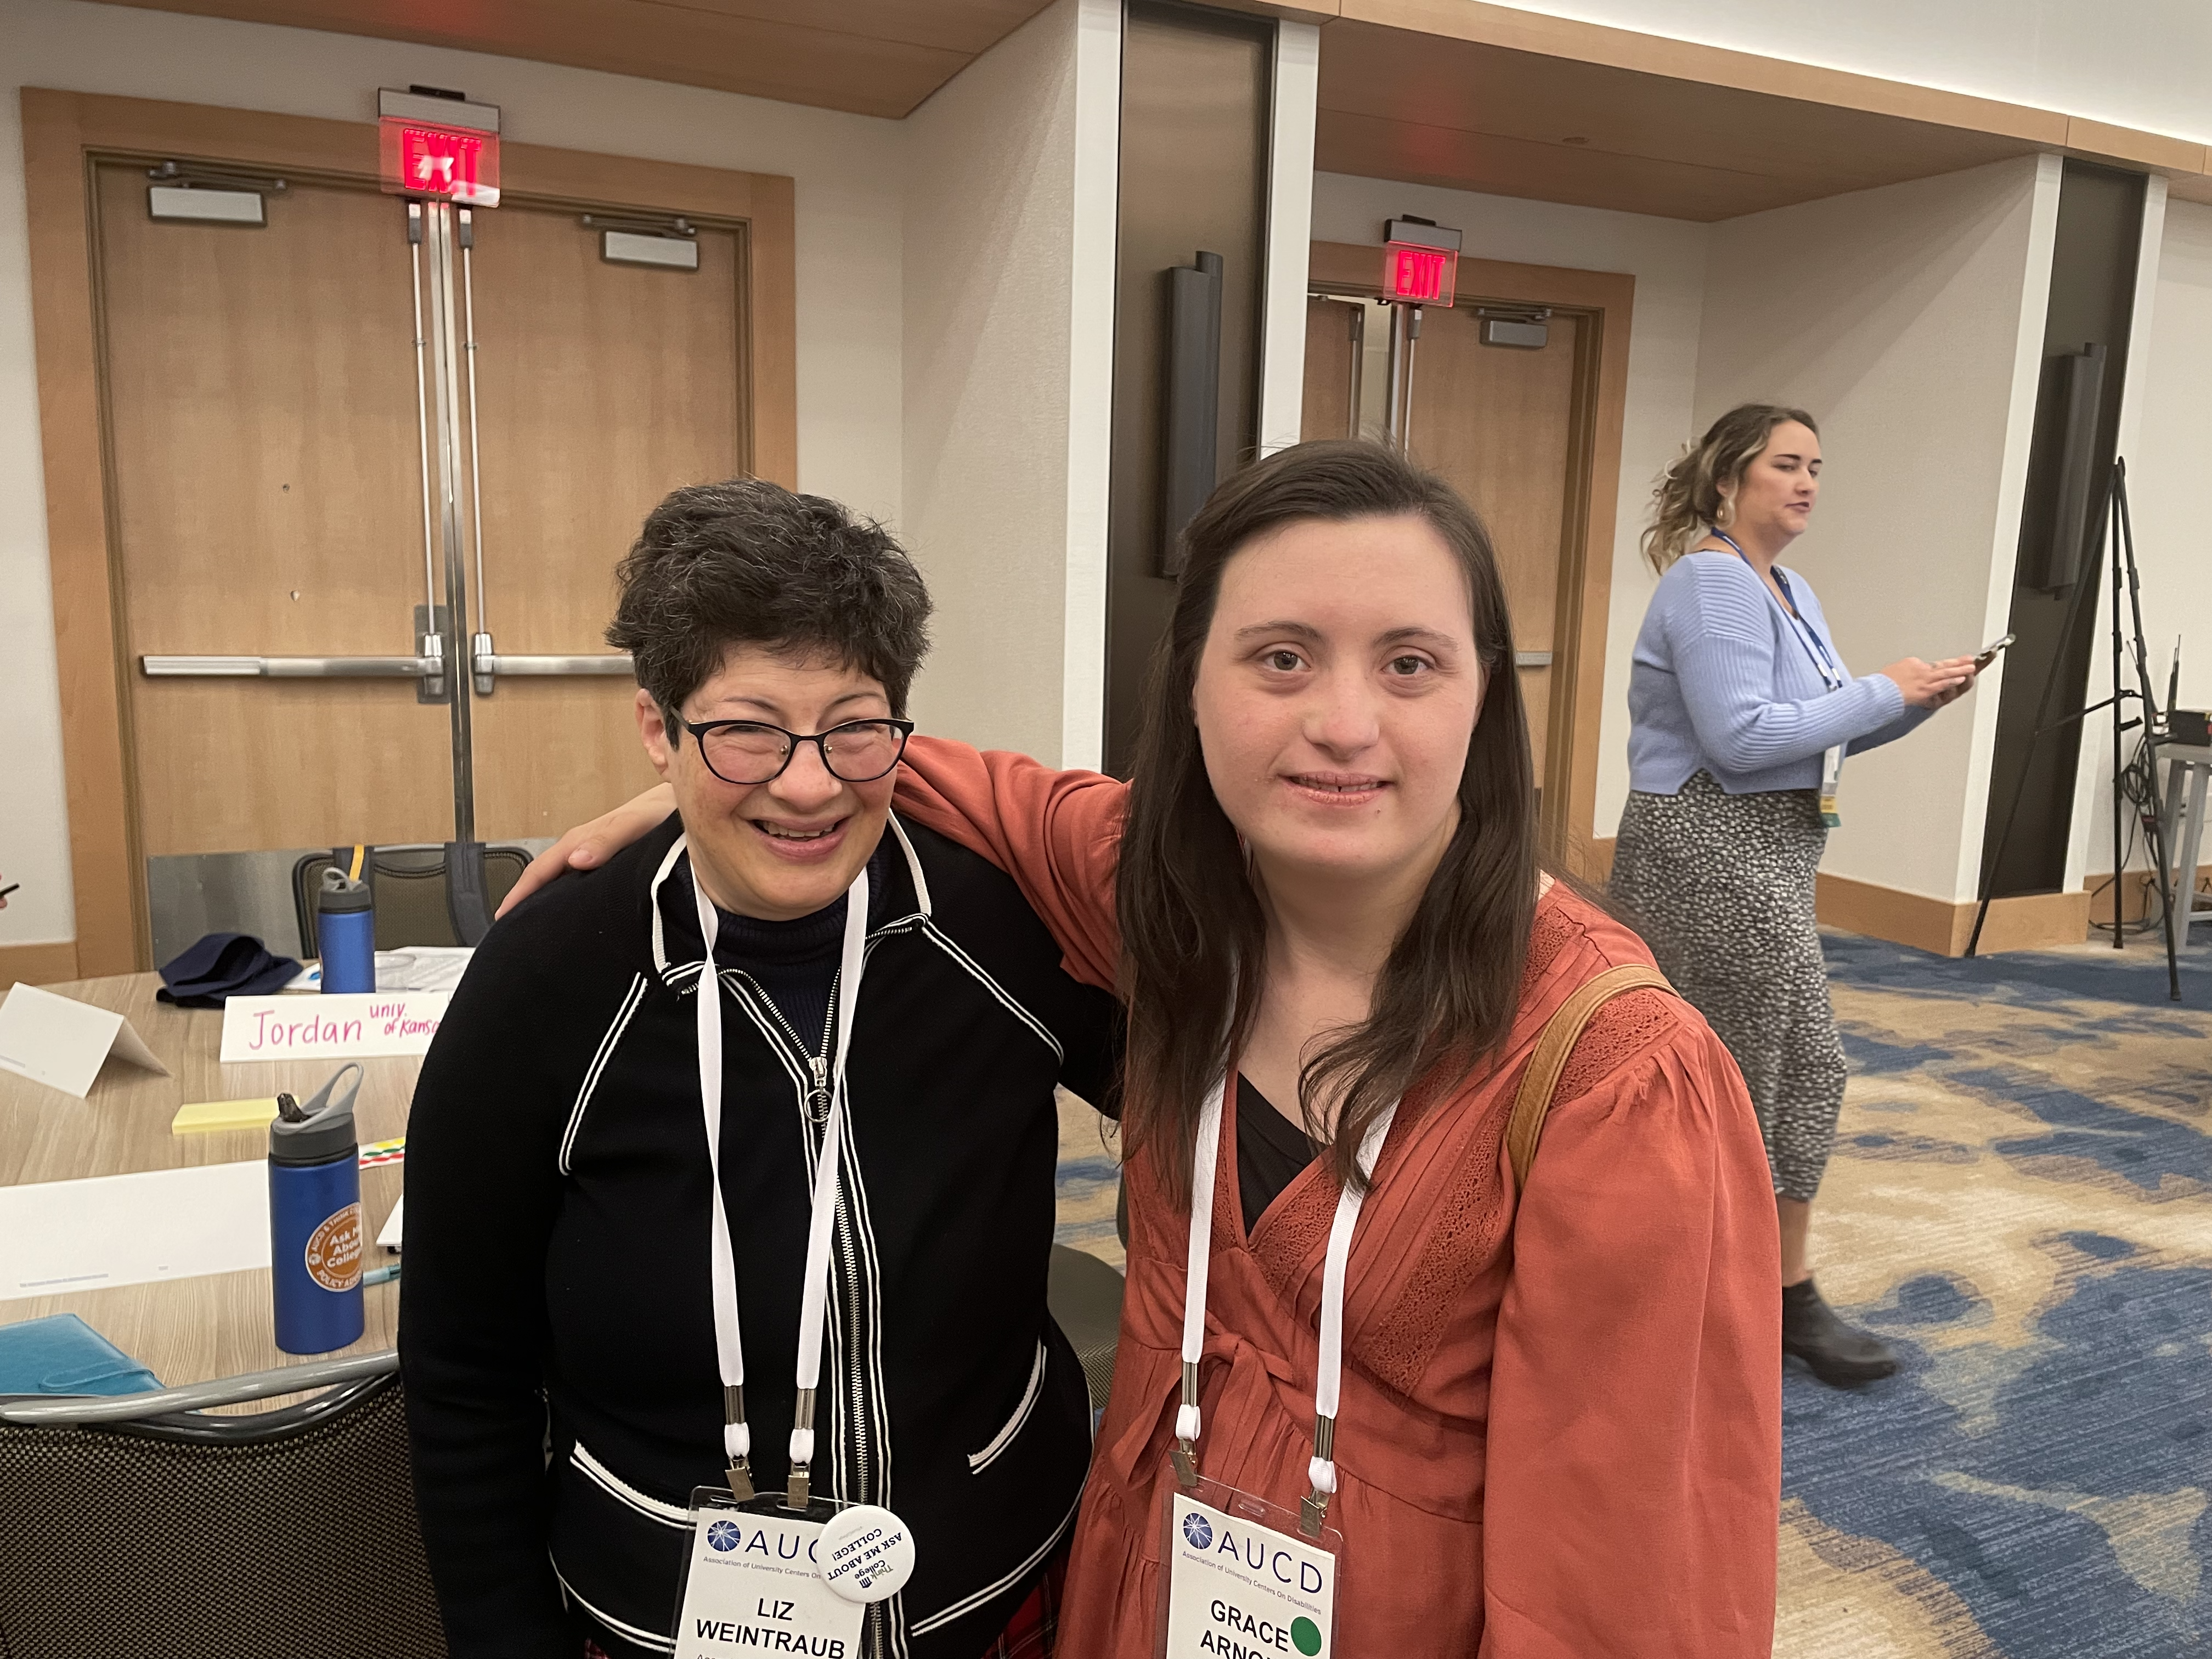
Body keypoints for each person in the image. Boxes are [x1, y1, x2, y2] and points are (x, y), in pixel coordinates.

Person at [510, 441, 1783, 1656]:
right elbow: (989, 790)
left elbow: (1632, 1597)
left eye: (1409, 664)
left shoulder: (1616, 1077)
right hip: (1138, 1581)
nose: (1345, 722)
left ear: (1484, 696)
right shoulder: (1164, 904)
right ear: (1192, 683)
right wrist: (738, 772)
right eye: (1281, 658)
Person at [401, 480, 1120, 1659]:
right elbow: (463, 1374)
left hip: (993, 1591)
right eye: (745, 729)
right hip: (664, 1621)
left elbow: (1211, 1100)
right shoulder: (549, 981)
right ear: (657, 729)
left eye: (854, 724)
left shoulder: (994, 928)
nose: (809, 783)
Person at [1608, 404, 1978, 1388]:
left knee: (1799, 1072)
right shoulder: (1712, 582)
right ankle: (1711, 1295)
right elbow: (1738, 739)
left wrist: (1911, 703)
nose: (1808, 482)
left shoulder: (1789, 588)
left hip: (1771, 847)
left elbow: (1815, 734)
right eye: (1786, 465)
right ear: (1731, 479)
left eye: (1817, 466)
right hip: (1706, 846)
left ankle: (1775, 1290)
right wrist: (1882, 688)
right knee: (1732, 1082)